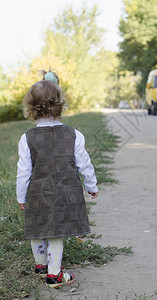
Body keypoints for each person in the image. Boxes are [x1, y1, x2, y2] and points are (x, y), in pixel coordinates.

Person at [16, 71, 98, 288]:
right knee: (56, 233)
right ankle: (54, 274)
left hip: (37, 192)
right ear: (60, 105)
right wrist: (91, 185)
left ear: (31, 108)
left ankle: (40, 265)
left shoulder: (26, 138)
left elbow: (23, 172)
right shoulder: (74, 134)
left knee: (37, 226)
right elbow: (85, 164)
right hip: (65, 193)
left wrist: (20, 196)